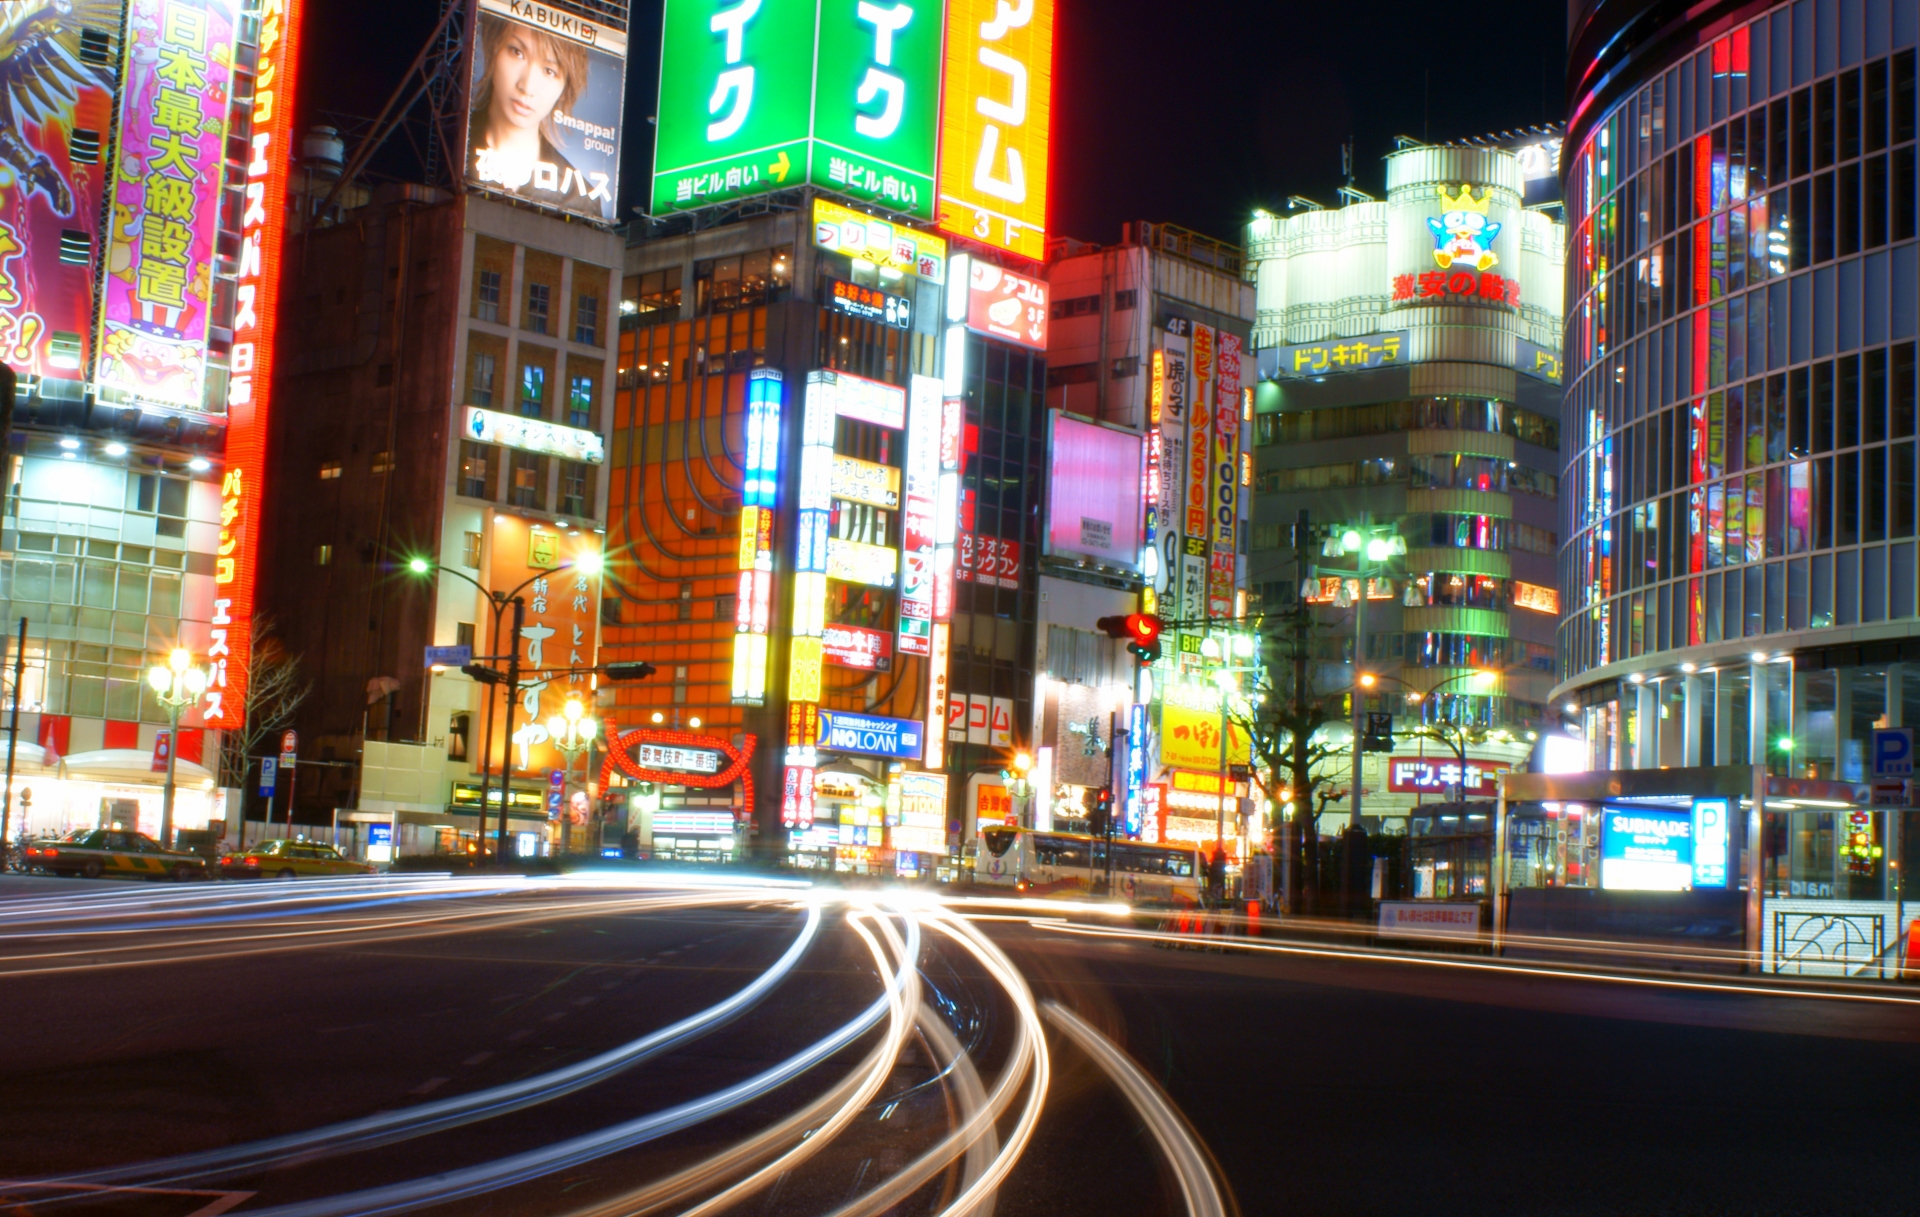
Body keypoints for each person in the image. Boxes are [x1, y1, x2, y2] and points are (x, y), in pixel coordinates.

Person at [466, 15, 594, 216]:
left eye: (549, 71)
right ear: (493, 47)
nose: (527, 86)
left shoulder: (579, 197)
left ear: (565, 87)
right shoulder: (451, 151)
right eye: (517, 52)